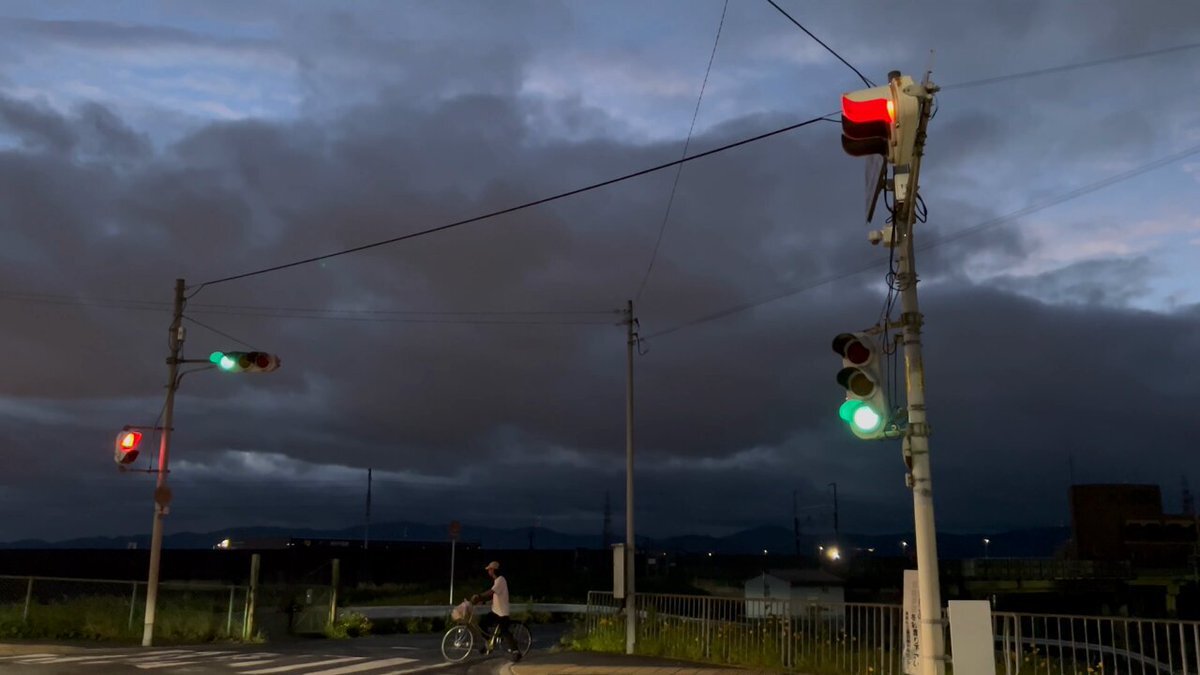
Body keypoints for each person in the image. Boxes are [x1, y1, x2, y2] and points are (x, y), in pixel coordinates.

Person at [471, 560, 519, 660]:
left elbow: (491, 592)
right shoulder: (497, 581)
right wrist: (481, 600)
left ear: (494, 570)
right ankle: (489, 643)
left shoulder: (501, 580)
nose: (488, 571)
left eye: (490, 569)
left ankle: (516, 652)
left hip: (502, 613)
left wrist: (479, 596)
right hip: (496, 611)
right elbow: (492, 595)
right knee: (482, 624)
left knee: (504, 631)